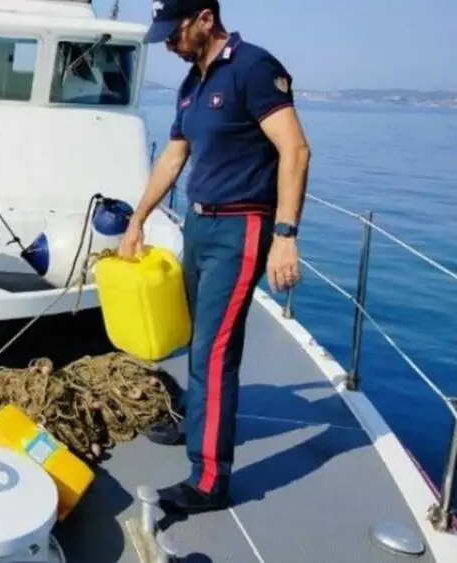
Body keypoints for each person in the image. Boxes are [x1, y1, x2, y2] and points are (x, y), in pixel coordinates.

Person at [119, 0, 310, 514]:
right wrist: (138, 220)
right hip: (200, 225)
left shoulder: (253, 68)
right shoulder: (193, 83)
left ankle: (208, 481)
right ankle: (196, 421)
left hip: (242, 227)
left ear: (205, 19)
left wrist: (286, 236)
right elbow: (174, 155)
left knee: (215, 352)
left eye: (174, 32)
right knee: (194, 334)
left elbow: (294, 149)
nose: (168, 44)